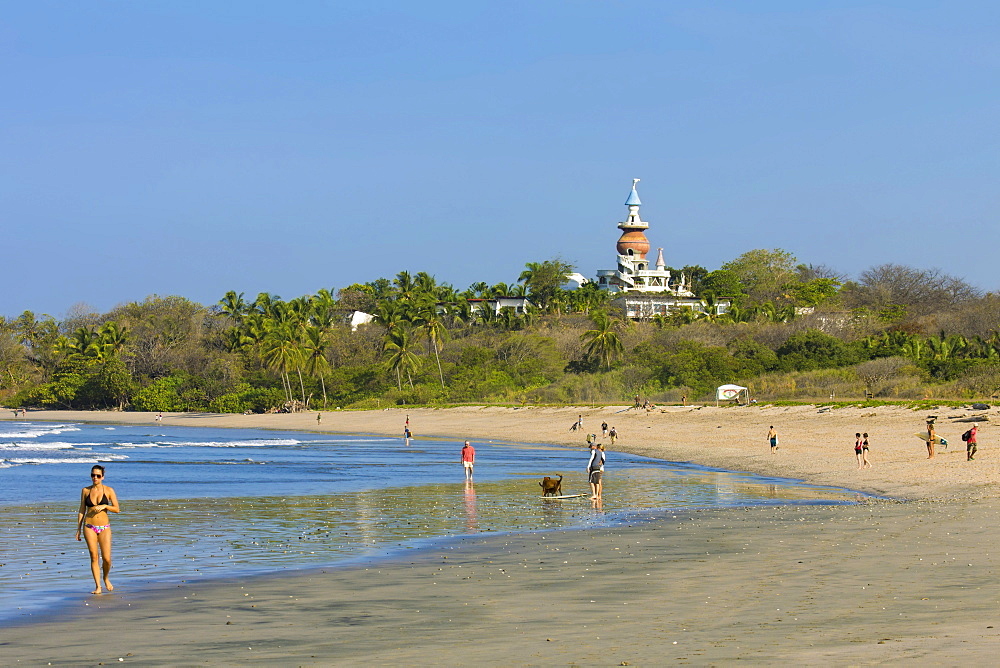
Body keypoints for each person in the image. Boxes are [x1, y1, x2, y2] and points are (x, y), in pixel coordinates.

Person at [76, 464, 120, 595]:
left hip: (104, 527)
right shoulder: (85, 490)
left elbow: (117, 509)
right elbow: (82, 510)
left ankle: (106, 578)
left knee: (107, 559)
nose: (95, 477)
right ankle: (98, 586)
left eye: (98, 476)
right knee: (94, 557)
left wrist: (104, 506)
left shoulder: (109, 490)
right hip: (89, 526)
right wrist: (78, 529)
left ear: (103, 477)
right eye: (93, 475)